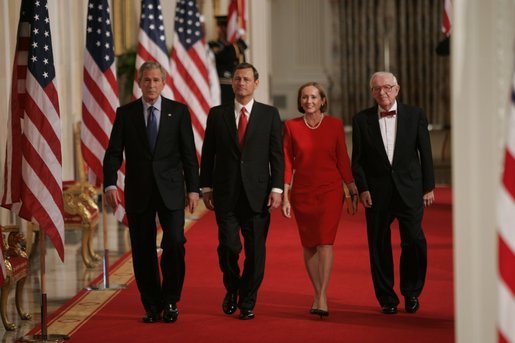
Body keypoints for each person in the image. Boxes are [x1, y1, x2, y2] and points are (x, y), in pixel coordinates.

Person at [103, 61, 200, 323]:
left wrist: (193, 189)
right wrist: (110, 183)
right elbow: (113, 152)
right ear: (139, 82)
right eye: (147, 80)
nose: (151, 85)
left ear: (164, 83)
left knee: (175, 242)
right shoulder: (126, 113)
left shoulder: (178, 112)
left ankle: (170, 300)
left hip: (171, 190)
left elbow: (189, 154)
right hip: (139, 191)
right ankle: (152, 305)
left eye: (156, 80)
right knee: (143, 250)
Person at [200, 62, 284, 320]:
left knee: (256, 252)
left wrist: (277, 188)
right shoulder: (217, 114)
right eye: (237, 79)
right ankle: (232, 287)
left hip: (258, 195)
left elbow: (276, 155)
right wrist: (206, 186)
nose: (241, 83)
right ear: (232, 83)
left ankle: (247, 300)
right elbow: (208, 153)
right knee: (229, 247)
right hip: (225, 194)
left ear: (256, 83)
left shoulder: (270, 115)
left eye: (246, 79)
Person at [351, 71, 435, 315]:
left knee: (414, 241)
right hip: (376, 193)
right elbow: (357, 161)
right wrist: (363, 188)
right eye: (377, 89)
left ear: (397, 89)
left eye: (387, 87)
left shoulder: (415, 115)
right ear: (371, 93)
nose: (382, 92)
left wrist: (428, 187)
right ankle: (387, 298)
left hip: (410, 189)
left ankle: (411, 293)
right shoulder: (360, 120)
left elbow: (425, 153)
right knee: (378, 245)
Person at [281, 82, 358, 318]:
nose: (309, 101)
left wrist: (352, 188)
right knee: (309, 244)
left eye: (314, 97)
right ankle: (316, 291)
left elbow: (343, 159)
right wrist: (285, 195)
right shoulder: (291, 126)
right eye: (305, 97)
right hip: (302, 193)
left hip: (329, 192)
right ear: (300, 101)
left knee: (325, 242)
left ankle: (322, 296)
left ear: (323, 100)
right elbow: (287, 162)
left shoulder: (334, 125)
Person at [208, 15, 247, 104]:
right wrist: (239, 44)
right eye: (226, 27)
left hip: (237, 87)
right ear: (219, 29)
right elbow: (225, 56)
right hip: (222, 87)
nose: (230, 30)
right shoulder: (213, 45)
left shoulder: (236, 46)